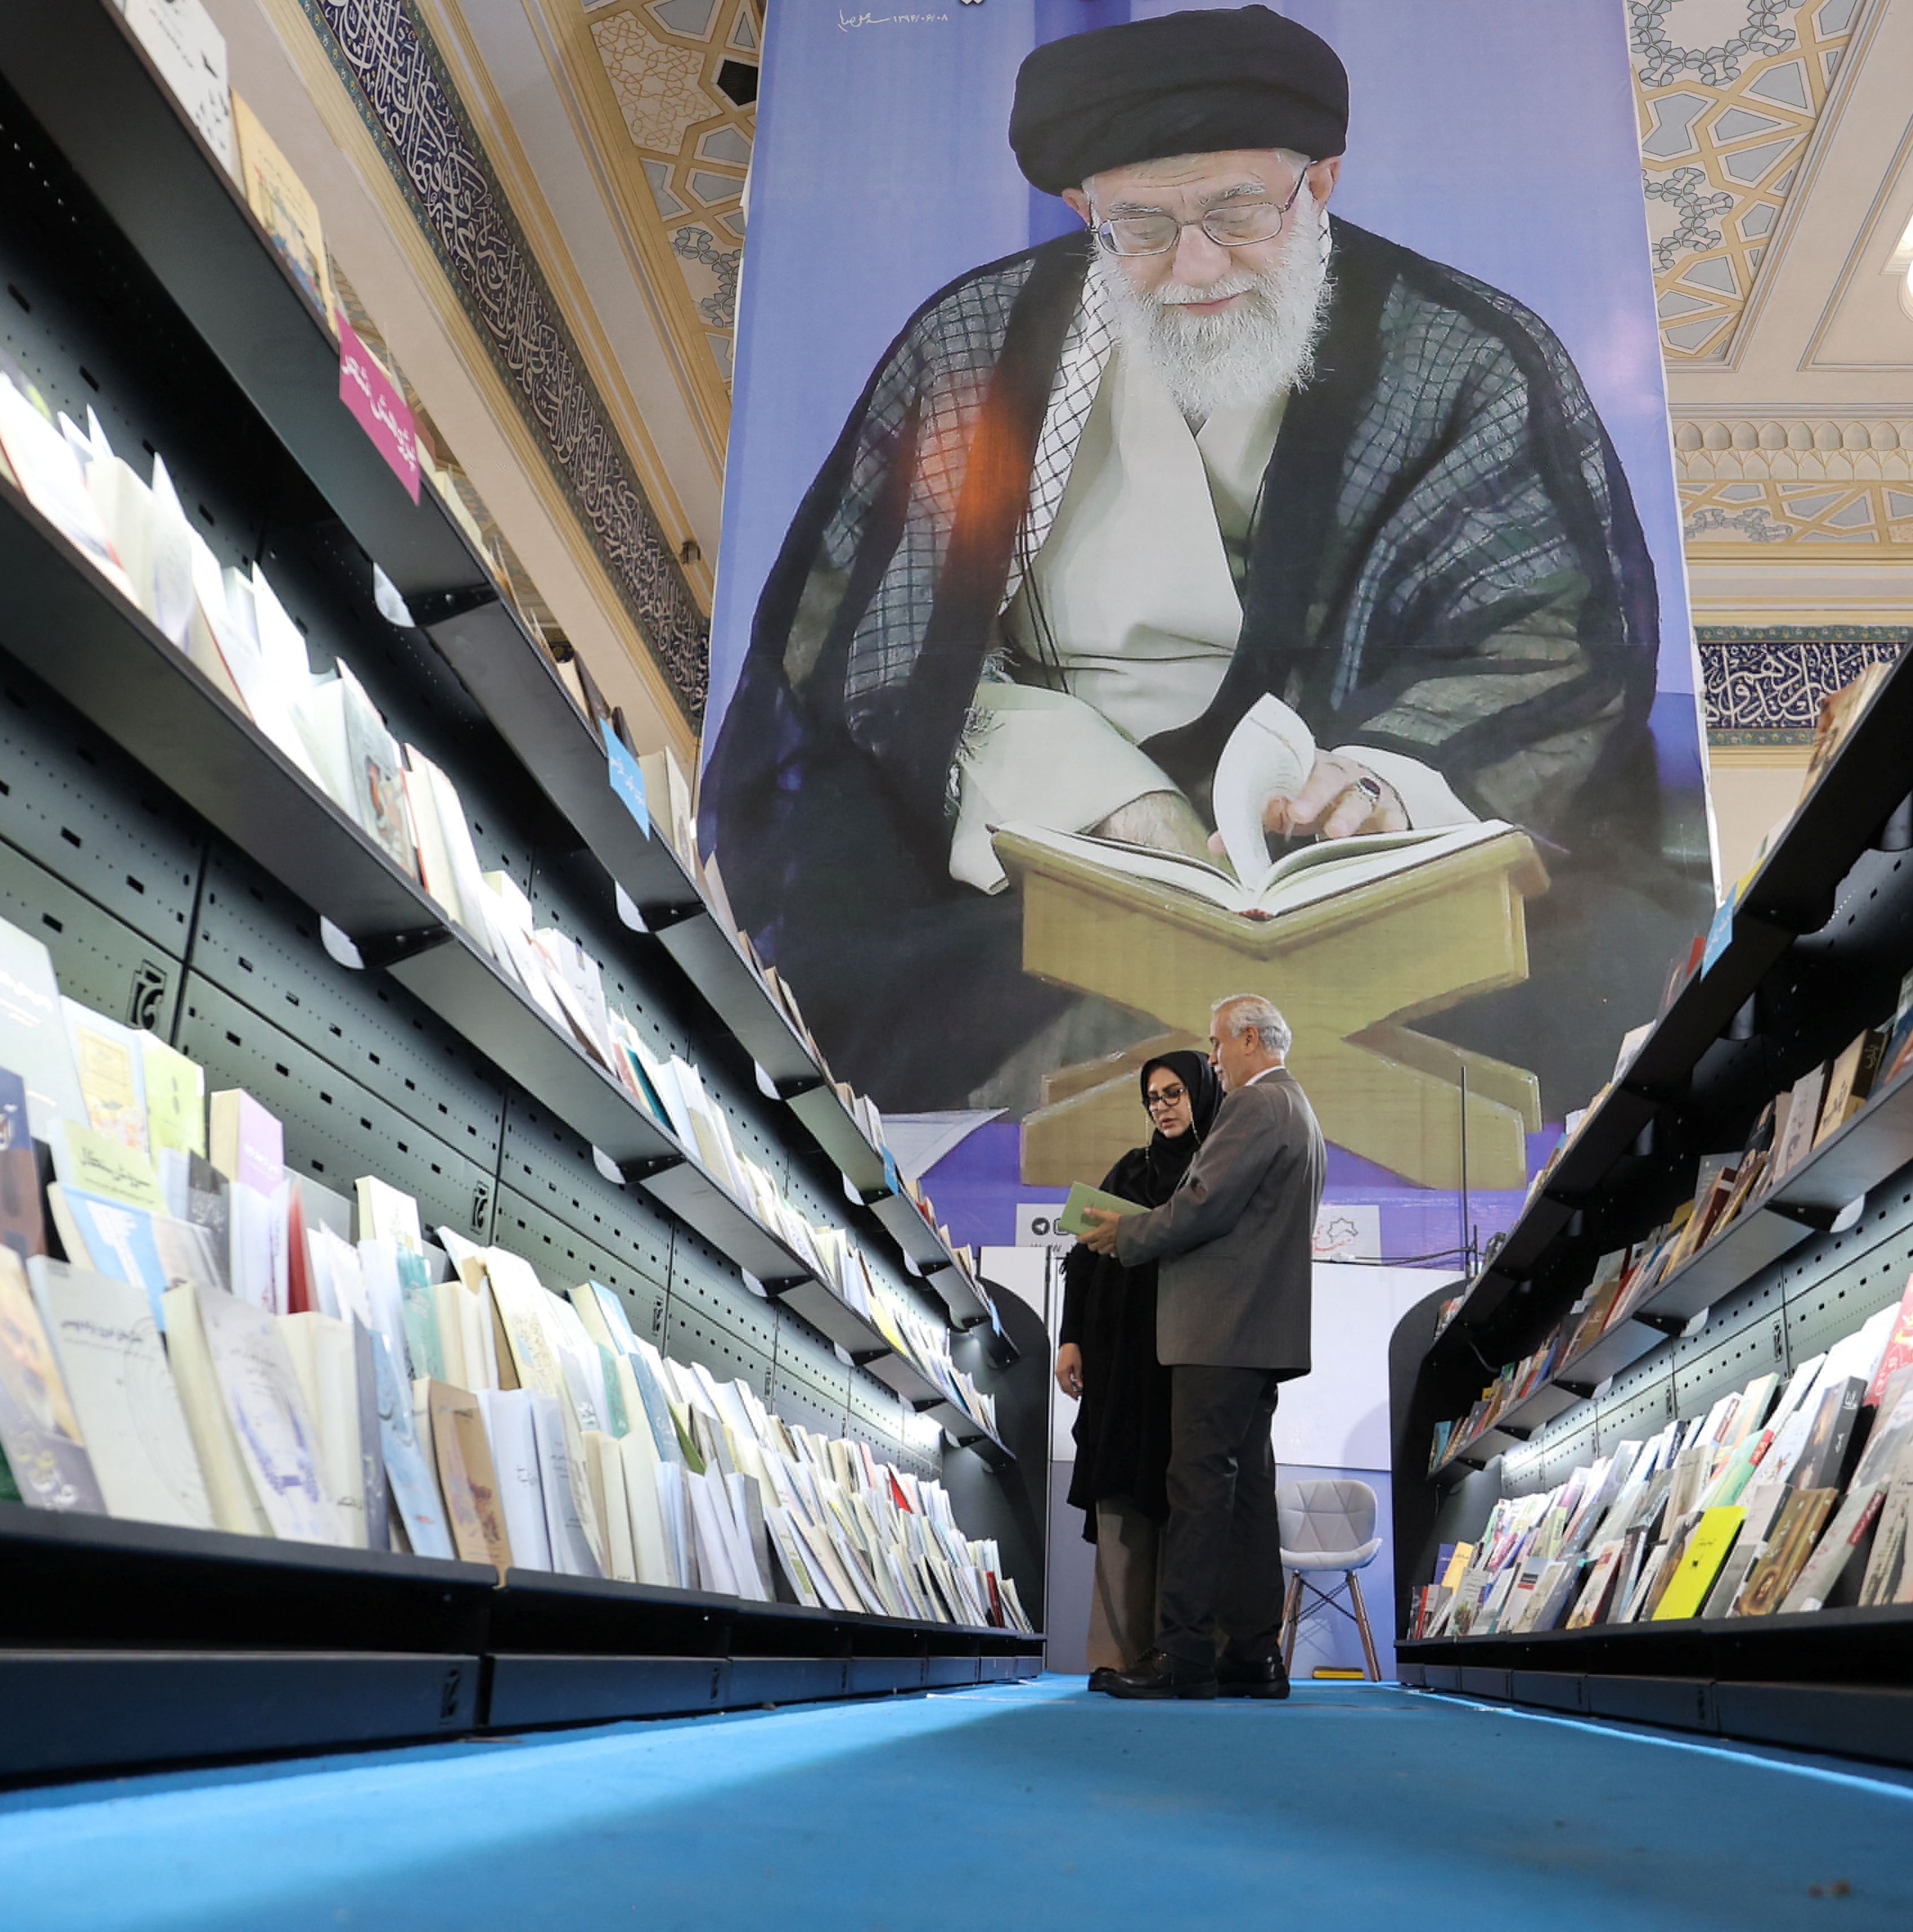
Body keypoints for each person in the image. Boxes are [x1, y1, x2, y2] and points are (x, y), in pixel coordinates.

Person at [706, 6, 1695, 1116]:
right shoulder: (973, 344)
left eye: (1235, 211)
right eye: (1141, 225)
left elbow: (1543, 630)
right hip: (1035, 841)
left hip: (1359, 845)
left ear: (1318, 185)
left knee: (1590, 964)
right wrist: (1113, 803)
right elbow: (865, 639)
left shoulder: (1464, 357)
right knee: (853, 964)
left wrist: (1372, 784)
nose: (1195, 264)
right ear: (1085, 211)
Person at [1076, 993, 1322, 1700]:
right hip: (1258, 1334)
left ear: (1250, 1039)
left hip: (1217, 1331)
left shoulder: (1254, 1104)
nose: (1213, 1058)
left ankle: (1180, 1655)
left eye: (1216, 1043)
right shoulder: (1300, 1110)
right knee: (1246, 1500)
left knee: (1197, 1491)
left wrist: (1124, 1234)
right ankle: (1253, 1654)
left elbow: (1202, 1205)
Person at [1056, 1050, 1225, 1686]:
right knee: (1121, 1497)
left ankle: (1183, 1654)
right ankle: (1119, 1657)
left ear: (1201, 1092)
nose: (1163, 1106)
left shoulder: (1217, 1169)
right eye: (1153, 1097)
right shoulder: (1129, 1168)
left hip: (1187, 1360)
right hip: (1120, 1363)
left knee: (1187, 1500)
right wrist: (1071, 1339)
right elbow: (1083, 1257)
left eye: (1175, 1092)